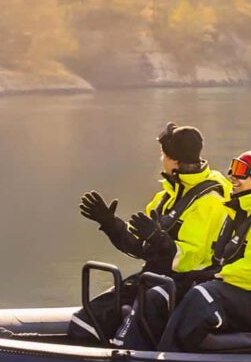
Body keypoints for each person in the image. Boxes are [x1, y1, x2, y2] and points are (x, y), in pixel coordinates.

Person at [68, 122, 231, 346]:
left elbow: (191, 260)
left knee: (129, 336)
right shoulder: (165, 197)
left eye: (163, 155)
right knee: (85, 322)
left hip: (185, 285)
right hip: (152, 278)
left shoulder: (211, 202)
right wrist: (111, 224)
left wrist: (160, 240)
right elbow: (138, 248)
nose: (161, 160)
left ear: (174, 160)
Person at [149, 150, 251, 352]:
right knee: (166, 289)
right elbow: (222, 260)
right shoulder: (240, 213)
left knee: (203, 296)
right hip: (238, 289)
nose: (233, 176)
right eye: (232, 169)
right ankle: (138, 354)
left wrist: (213, 276)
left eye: (241, 171)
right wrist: (196, 276)